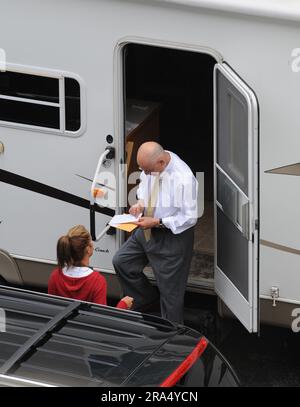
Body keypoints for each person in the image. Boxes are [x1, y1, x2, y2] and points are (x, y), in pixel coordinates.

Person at [113, 142, 198, 324]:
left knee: (170, 295)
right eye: (141, 169)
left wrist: (158, 222)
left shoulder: (184, 178)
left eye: (147, 170)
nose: (144, 173)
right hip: (146, 229)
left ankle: (171, 338)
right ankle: (147, 301)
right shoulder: (151, 167)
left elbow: (190, 217)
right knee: (122, 262)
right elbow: (145, 188)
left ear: (161, 162)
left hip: (171, 237)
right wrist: (140, 204)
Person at [48, 225, 133, 310]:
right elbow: (101, 318)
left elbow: (51, 309)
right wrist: (123, 305)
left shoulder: (55, 276)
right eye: (91, 241)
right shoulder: (97, 280)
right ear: (88, 249)